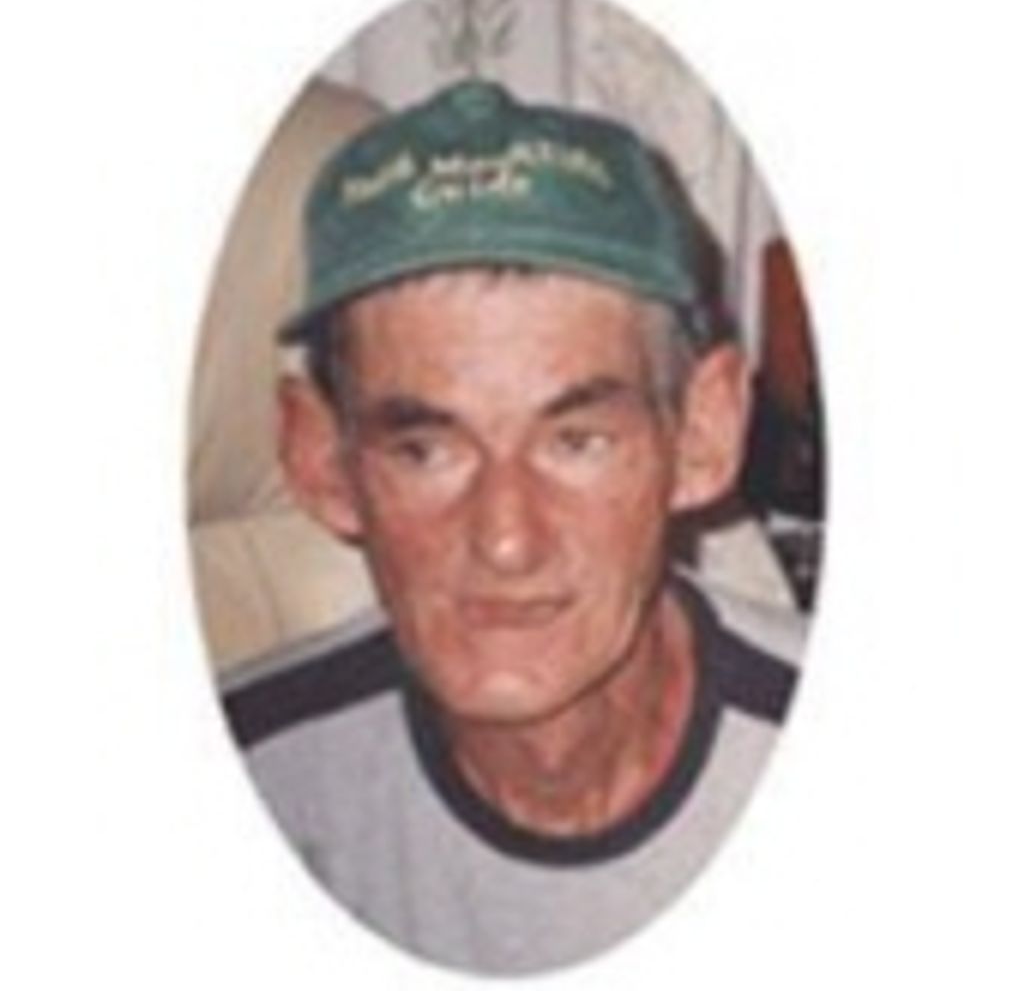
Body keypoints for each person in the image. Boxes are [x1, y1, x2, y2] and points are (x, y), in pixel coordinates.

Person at [221, 79, 802, 974]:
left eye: (577, 441)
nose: (506, 540)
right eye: (424, 450)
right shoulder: (252, 769)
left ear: (703, 436)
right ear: (322, 462)